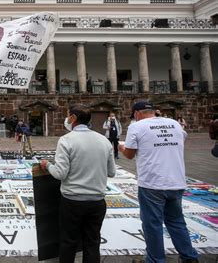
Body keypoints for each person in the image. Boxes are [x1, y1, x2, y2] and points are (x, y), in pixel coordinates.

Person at [119, 101, 199, 263]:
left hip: (152, 182)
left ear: (136, 114)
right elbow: (181, 138)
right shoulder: (175, 124)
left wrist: (121, 147)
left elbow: (129, 154)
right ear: (154, 111)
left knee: (152, 224)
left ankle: (155, 259)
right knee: (176, 221)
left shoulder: (137, 126)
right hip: (176, 180)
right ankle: (189, 257)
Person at [40, 104, 116, 263]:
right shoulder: (104, 140)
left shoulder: (66, 140)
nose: (66, 119)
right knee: (92, 241)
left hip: (73, 201)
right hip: (97, 201)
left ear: (73, 118)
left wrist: (47, 165)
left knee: (68, 241)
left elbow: (60, 173)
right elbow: (111, 172)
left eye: (68, 115)